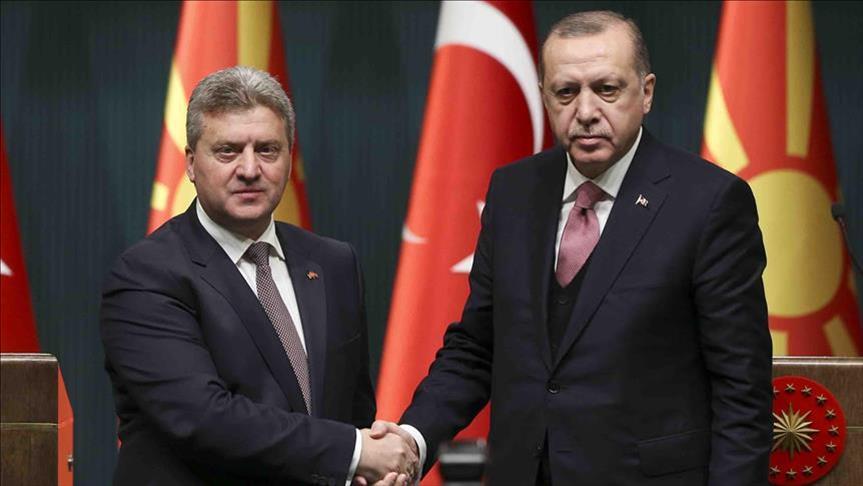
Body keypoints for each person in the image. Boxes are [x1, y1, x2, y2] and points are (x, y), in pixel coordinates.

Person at [372, 10, 772, 485]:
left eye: (607, 89)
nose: (585, 111)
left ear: (646, 92)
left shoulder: (708, 202)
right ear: (545, 95)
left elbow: (741, 390)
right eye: (566, 92)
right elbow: (477, 347)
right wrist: (412, 440)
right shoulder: (514, 191)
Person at [101, 66, 417, 486]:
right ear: (191, 164)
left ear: (289, 158)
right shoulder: (146, 275)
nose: (250, 169)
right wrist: (355, 452)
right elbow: (205, 418)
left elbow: (350, 411)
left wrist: (362, 473)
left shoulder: (334, 263)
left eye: (267, 150)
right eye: (228, 151)